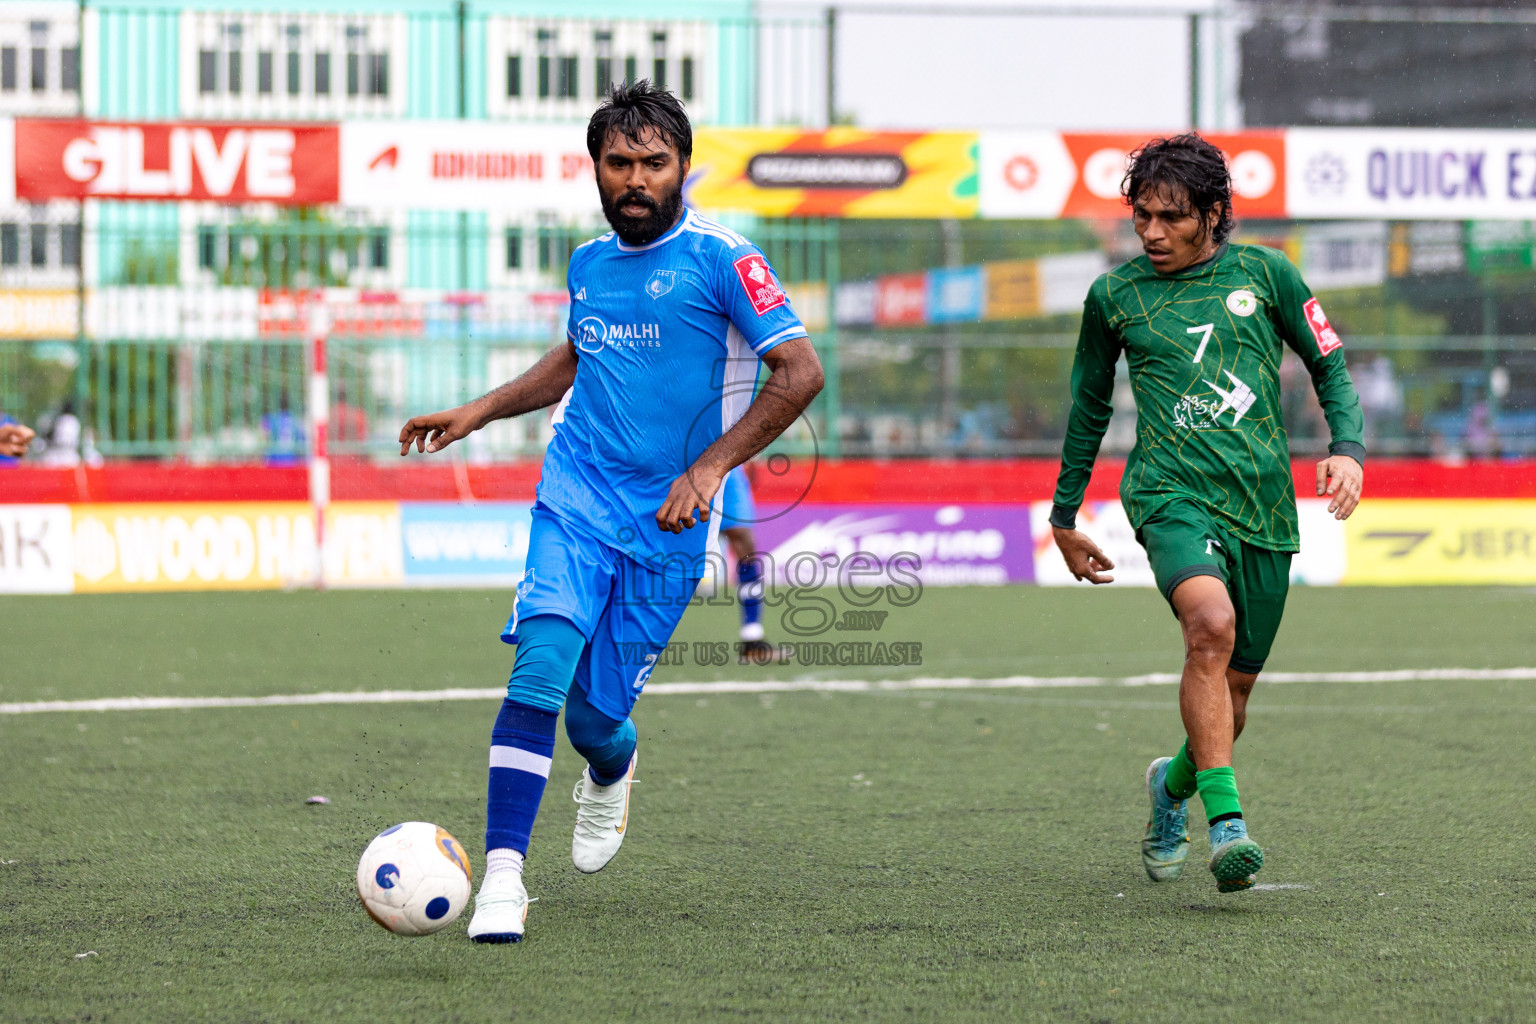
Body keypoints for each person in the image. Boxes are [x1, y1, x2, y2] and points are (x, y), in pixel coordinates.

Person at [397, 81, 823, 943]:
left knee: (594, 720)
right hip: (576, 496)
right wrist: (480, 409)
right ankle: (505, 881)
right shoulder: (588, 263)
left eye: (653, 164)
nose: (636, 179)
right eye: (619, 162)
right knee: (538, 672)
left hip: (667, 526)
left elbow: (801, 371)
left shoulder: (724, 260)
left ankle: (613, 767)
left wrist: (708, 469)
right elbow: (576, 355)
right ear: (595, 167)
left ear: (683, 168)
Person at [1048, 134, 1365, 894]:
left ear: (1214, 214)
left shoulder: (1267, 274)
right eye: (1141, 218)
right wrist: (1064, 516)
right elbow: (1089, 407)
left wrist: (1346, 446)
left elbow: (1329, 362)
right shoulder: (1114, 298)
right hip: (1167, 493)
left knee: (1236, 695)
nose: (1151, 233)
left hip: (1261, 501)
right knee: (1209, 626)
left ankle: (1173, 785)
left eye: (1170, 217)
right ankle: (1228, 827)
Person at [718, 464, 774, 662]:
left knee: (744, 544)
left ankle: (752, 639)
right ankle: (636, 637)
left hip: (729, 463)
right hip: (684, 462)